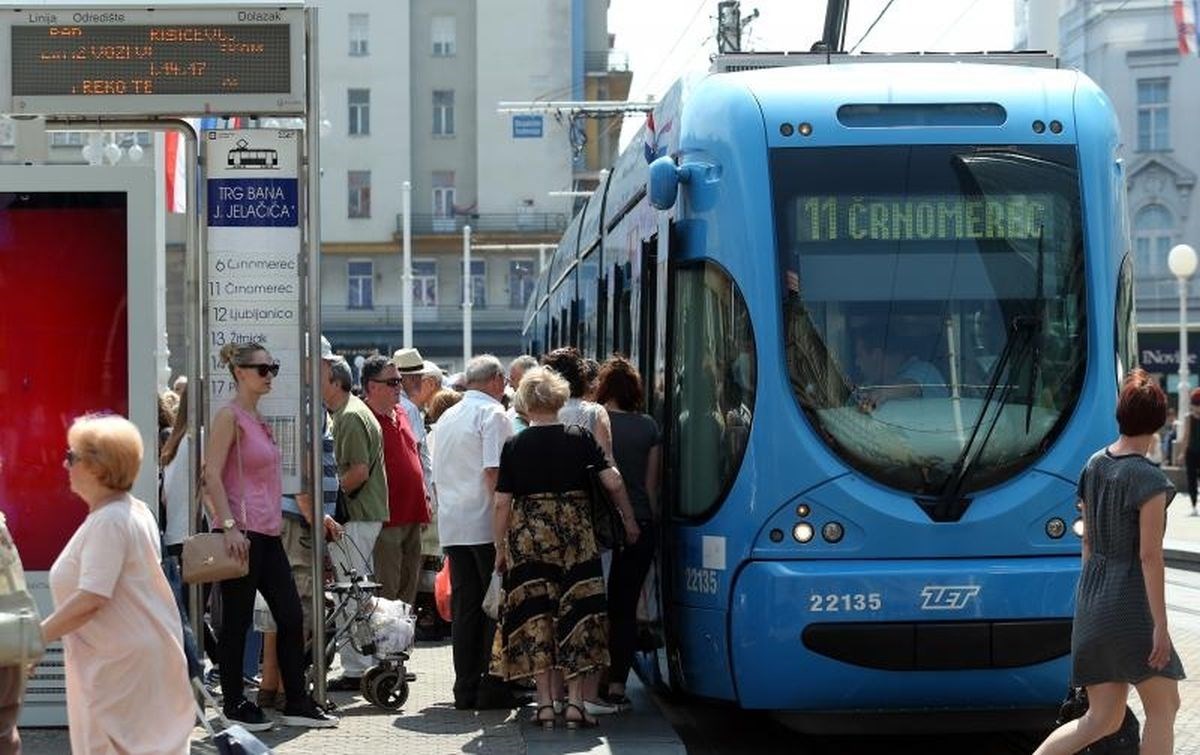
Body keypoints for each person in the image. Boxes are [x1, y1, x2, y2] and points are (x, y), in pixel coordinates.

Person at [1033, 369, 1184, 755]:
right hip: (1131, 608)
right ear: (1159, 420)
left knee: (1102, 719)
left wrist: (1091, 600)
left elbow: (1088, 541)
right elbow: (1149, 556)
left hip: (1094, 602)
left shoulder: (1094, 464)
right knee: (1165, 707)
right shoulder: (1148, 479)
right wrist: (1161, 627)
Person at [491, 367, 640, 729]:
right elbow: (613, 481)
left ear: (525, 403)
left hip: (530, 539)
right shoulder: (580, 437)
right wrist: (629, 520)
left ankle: (544, 705)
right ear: (559, 399)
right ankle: (575, 704)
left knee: (536, 616)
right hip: (576, 538)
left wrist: (500, 548)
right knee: (580, 613)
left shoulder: (515, 444)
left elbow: (501, 502)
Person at [40, 414, 195, 753]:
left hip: (120, 669)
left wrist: (36, 638)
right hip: (126, 662)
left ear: (97, 467)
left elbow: (92, 598)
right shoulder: (132, 511)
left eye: (72, 457)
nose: (66, 465)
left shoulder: (110, 521)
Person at [205, 341, 338, 730]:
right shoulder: (229, 416)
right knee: (237, 621)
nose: (270, 376)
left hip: (267, 531)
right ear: (240, 372)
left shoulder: (257, 418)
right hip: (242, 533)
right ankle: (234, 704)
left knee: (291, 615)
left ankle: (296, 700)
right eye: (263, 369)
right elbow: (210, 473)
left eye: (273, 368)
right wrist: (228, 526)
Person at [429, 354, 520, 710]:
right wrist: (505, 530)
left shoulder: (448, 415)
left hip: (454, 525)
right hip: (485, 524)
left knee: (466, 607)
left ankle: (464, 687)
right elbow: (494, 475)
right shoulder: (493, 415)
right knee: (493, 607)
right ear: (497, 380)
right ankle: (491, 684)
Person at [320, 340, 388, 690]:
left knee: (352, 591)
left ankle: (357, 668)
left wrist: (327, 499)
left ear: (333, 380)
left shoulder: (347, 415)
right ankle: (365, 661)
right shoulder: (349, 412)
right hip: (362, 515)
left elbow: (357, 471)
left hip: (355, 516)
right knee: (357, 590)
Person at [594, 356, 661, 710]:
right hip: (639, 525)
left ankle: (593, 681)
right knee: (625, 607)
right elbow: (650, 486)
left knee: (595, 605)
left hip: (599, 527)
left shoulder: (593, 421)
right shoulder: (648, 426)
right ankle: (618, 683)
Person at [362, 355, 429, 605]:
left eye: (399, 380)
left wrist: (424, 494)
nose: (399, 386)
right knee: (388, 592)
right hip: (386, 517)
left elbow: (416, 456)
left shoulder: (401, 412)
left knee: (409, 587)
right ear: (372, 387)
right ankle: (388, 643)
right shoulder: (364, 416)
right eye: (393, 382)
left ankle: (402, 641)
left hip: (412, 512)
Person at [852, 333, 948, 412]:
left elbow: (912, 387)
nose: (857, 362)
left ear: (876, 355)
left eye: (860, 356)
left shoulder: (926, 370)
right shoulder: (872, 383)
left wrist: (883, 393)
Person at [1172, 388, 1200, 516]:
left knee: (1194, 479)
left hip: (1195, 451)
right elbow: (1186, 436)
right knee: (1191, 479)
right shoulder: (1189, 418)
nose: (1196, 408)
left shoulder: (1190, 417)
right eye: (1194, 405)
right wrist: (1182, 453)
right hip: (1191, 452)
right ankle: (1194, 505)